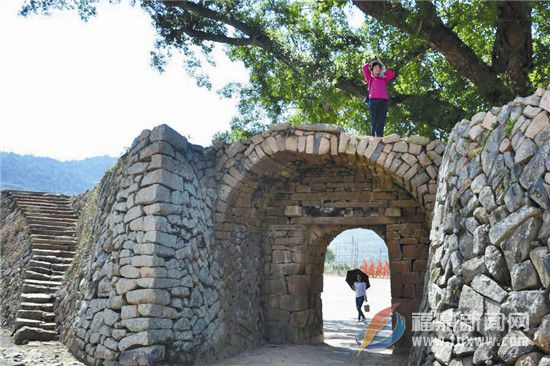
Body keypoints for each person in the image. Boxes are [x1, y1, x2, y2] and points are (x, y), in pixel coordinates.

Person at [361, 59, 395, 137]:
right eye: (376, 67)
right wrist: (371, 63)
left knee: (382, 119)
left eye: (379, 68)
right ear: (372, 70)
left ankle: (380, 136)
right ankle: (374, 135)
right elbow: (364, 68)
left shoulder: (383, 78)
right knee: (374, 118)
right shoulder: (370, 78)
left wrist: (383, 67)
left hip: (384, 101)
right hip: (373, 100)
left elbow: (391, 74)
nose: (378, 69)